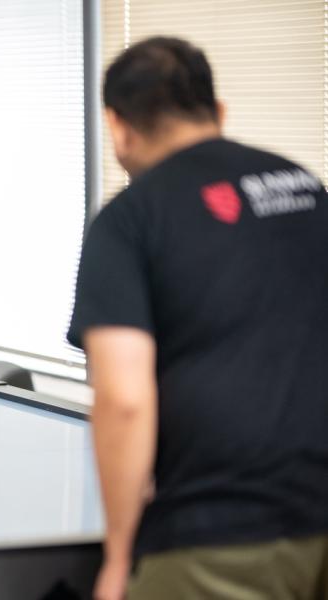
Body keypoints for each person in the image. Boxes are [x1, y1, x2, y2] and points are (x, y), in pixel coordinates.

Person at [68, 37, 328, 599]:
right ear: (219, 112)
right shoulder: (307, 188)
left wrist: (118, 557)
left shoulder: (132, 219)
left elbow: (123, 398)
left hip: (219, 536)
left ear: (118, 126)